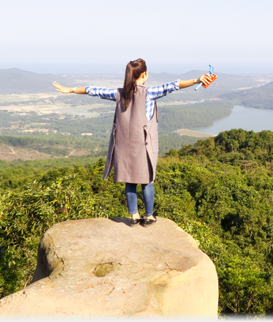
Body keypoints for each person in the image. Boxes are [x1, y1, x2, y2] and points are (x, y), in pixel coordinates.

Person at [53, 59, 213, 226]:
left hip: (123, 147)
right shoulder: (149, 93)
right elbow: (173, 85)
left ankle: (134, 216)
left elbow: (93, 90)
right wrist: (196, 80)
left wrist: (70, 89)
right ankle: (149, 216)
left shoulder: (119, 93)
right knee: (147, 181)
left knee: (130, 181)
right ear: (144, 74)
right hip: (143, 147)